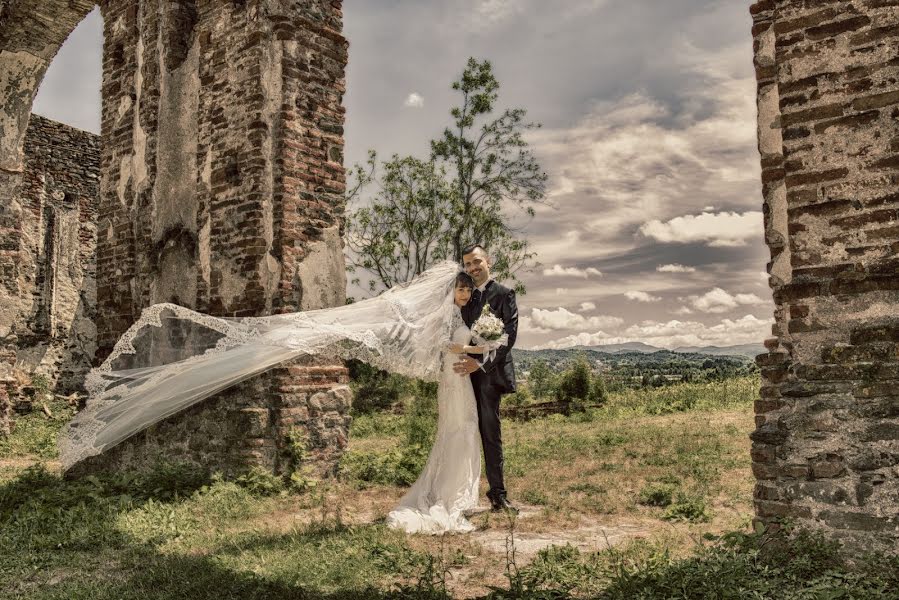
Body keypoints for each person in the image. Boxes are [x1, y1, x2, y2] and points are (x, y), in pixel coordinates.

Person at [384, 271, 483, 534]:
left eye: (468, 290)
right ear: (450, 290)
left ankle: (459, 493)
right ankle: (448, 495)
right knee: (457, 430)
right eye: (460, 289)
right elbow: (443, 343)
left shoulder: (457, 313)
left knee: (463, 429)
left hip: (459, 378)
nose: (465, 294)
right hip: (453, 379)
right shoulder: (449, 313)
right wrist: (476, 350)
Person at [453, 244, 519, 514]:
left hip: (489, 376)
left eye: (476, 262)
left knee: (491, 435)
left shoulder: (504, 294)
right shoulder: (463, 295)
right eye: (468, 264)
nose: (472, 268)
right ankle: (457, 491)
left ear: (488, 261)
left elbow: (508, 338)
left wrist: (478, 364)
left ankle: (498, 494)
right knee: (462, 433)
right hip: (462, 378)